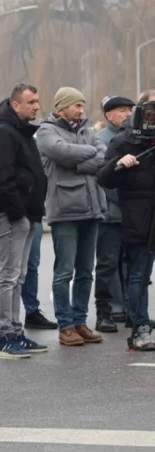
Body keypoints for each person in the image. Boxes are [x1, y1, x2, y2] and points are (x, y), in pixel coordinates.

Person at [36, 87, 107, 347]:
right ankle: (65, 325)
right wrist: (88, 153)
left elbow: (104, 155)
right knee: (64, 272)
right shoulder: (46, 131)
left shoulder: (87, 130)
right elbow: (61, 153)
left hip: (92, 208)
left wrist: (77, 161)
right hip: (64, 210)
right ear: (62, 107)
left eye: (82, 105)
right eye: (77, 105)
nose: (81, 110)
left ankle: (80, 322)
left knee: (86, 272)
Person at [0, 84, 49, 357]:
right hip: (11, 214)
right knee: (8, 276)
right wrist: (17, 212)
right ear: (15, 105)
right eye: (31, 102)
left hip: (26, 214)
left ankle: (16, 331)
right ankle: (5, 336)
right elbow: (1, 178)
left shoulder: (21, 131)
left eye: (37, 101)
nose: (36, 106)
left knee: (18, 276)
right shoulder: (2, 132)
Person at [97, 103, 155, 350]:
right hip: (137, 219)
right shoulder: (122, 142)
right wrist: (119, 163)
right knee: (139, 275)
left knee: (142, 275)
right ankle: (140, 327)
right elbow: (104, 178)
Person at [94, 95, 135, 332]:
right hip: (110, 214)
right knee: (108, 264)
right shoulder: (101, 140)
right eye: (122, 111)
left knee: (130, 265)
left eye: (129, 110)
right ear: (109, 115)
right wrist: (127, 200)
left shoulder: (133, 138)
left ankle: (130, 309)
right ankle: (106, 311)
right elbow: (104, 179)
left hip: (130, 214)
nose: (128, 114)